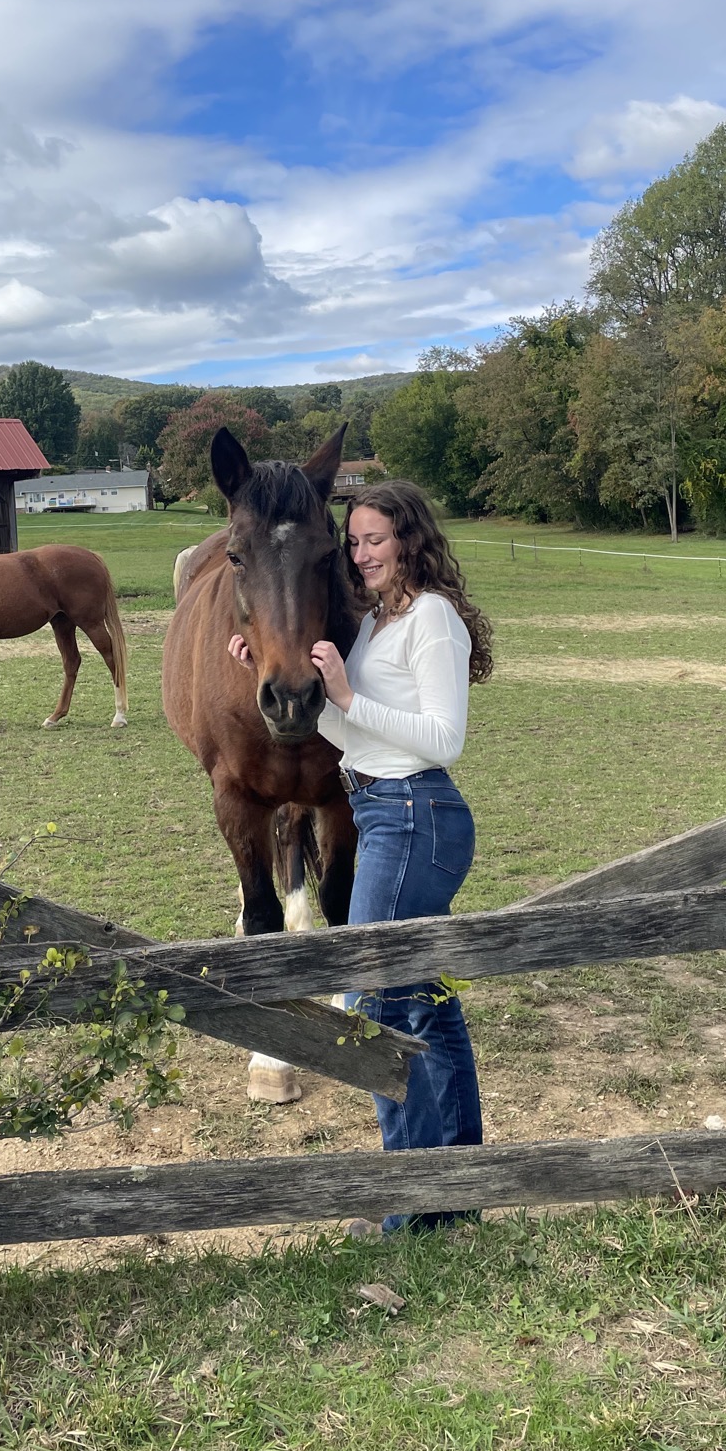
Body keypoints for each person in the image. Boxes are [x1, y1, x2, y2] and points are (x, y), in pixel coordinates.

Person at [229, 478, 493, 1234]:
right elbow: (358, 737)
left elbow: (444, 739)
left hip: (416, 814)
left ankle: (408, 1208)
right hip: (384, 810)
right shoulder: (379, 623)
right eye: (353, 542)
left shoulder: (432, 618)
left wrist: (345, 695)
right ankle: (452, 1193)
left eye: (376, 539)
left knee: (375, 1008)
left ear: (410, 539)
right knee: (426, 1005)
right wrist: (287, 683)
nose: (363, 553)